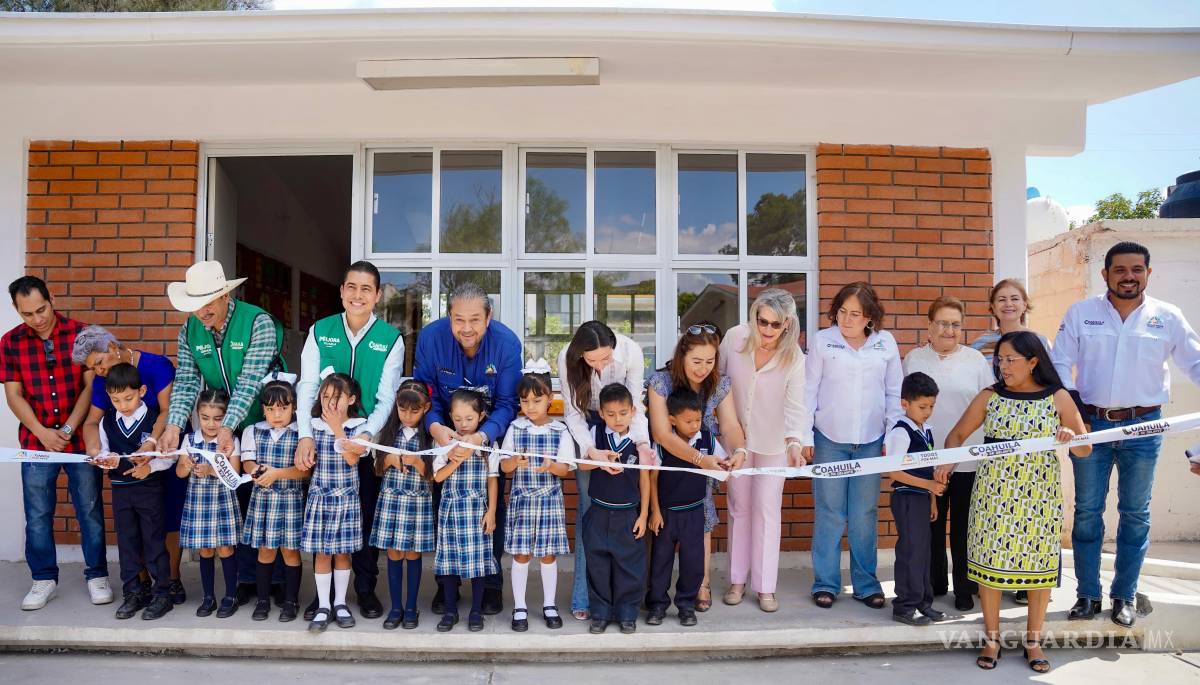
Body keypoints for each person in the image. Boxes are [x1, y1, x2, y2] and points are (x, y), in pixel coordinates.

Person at [1051, 241, 1200, 628]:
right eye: (1120, 270)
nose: (1128, 276)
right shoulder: (1082, 313)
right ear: (1106, 274)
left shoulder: (1167, 317)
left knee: (1135, 514)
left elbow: (1196, 362)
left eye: (1137, 269)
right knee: (1087, 514)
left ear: (1148, 273)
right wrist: (1075, 416)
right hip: (1092, 427)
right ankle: (1087, 595)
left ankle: (1124, 596)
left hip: (1144, 428)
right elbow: (1060, 365)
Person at [946, 331, 1090, 673]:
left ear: (1033, 361)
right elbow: (957, 434)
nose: (1002, 365)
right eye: (1000, 359)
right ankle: (992, 639)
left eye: (1011, 359)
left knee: (1039, 570)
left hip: (1039, 496)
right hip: (993, 495)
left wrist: (1070, 438)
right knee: (991, 567)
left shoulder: (1058, 398)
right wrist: (947, 461)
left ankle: (1033, 641)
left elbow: (1086, 448)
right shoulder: (990, 396)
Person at [161, 260, 285, 605]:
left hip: (263, 422)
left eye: (208, 303)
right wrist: (174, 425)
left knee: (266, 500)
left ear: (225, 295)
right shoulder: (189, 330)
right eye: (195, 305)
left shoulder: (258, 322)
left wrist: (229, 427)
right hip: (222, 423)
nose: (202, 312)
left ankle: (274, 581)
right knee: (235, 503)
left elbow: (249, 381)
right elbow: (186, 380)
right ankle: (245, 581)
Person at [294, 261, 404, 620]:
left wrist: (367, 436)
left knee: (364, 516)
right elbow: (308, 384)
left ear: (377, 296)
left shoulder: (390, 338)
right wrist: (305, 435)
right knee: (322, 518)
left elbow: (387, 396)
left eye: (366, 289)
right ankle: (323, 598)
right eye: (351, 287)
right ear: (341, 291)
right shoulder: (320, 330)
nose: (358, 295)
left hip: (365, 442)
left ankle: (365, 589)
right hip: (324, 441)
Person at [3, 275, 110, 610]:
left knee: (90, 509)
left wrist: (65, 429)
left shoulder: (81, 333)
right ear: (16, 311)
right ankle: (43, 579)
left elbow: (90, 388)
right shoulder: (10, 343)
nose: (37, 318)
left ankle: (97, 575)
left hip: (78, 437)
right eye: (28, 314)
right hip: (35, 442)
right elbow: (13, 395)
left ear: (51, 299)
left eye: (41, 309)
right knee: (37, 513)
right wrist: (41, 432)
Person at [414, 282, 521, 616]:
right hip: (444, 433)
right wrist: (435, 427)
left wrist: (481, 438)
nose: (467, 328)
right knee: (444, 511)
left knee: (490, 513)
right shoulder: (431, 339)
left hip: (486, 436)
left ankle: (490, 583)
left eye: (475, 320)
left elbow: (507, 403)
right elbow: (424, 394)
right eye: (459, 320)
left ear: (488, 317)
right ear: (449, 317)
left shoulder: (506, 344)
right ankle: (449, 582)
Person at [800, 282, 902, 611]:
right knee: (829, 513)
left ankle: (866, 584)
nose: (846, 319)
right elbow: (808, 391)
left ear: (870, 317)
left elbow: (893, 395)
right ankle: (826, 583)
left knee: (864, 514)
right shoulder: (823, 341)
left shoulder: (885, 344)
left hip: (871, 442)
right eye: (842, 312)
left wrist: (891, 437)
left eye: (855, 314)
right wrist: (803, 437)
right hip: (829, 440)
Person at [73, 325, 186, 605]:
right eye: (92, 368)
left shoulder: (156, 365)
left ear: (112, 348)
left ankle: (171, 580)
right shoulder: (102, 381)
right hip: (127, 462)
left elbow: (168, 410)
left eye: (99, 362)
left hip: (163, 449)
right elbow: (91, 422)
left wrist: (150, 444)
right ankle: (142, 585)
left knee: (167, 519)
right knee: (134, 526)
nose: (98, 371)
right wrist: (97, 450)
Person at [557, 320, 654, 621]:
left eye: (605, 358)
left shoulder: (633, 352)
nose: (599, 365)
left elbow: (635, 403)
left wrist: (641, 444)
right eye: (592, 360)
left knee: (630, 509)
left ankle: (626, 602)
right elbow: (572, 414)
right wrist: (591, 451)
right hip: (589, 429)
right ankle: (586, 599)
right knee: (590, 510)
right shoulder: (566, 357)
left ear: (614, 347)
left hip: (624, 425)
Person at [647, 323, 747, 611]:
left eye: (710, 361)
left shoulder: (719, 383)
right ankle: (655, 593)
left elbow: (729, 424)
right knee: (661, 526)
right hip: (668, 465)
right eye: (696, 361)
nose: (703, 368)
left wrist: (739, 449)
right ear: (682, 356)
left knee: (701, 519)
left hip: (704, 459)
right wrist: (699, 460)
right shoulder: (661, 382)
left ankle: (699, 585)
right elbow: (661, 433)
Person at [719, 288, 807, 613]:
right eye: (763, 322)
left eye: (775, 325)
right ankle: (737, 580)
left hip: (773, 444)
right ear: (755, 316)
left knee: (768, 511)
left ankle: (765, 587)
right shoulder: (734, 338)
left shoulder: (794, 357)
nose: (767, 330)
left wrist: (795, 443)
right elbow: (720, 385)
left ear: (787, 325)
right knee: (739, 508)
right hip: (736, 440)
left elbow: (796, 407)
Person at [907, 296, 994, 612]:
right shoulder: (914, 359)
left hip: (967, 460)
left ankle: (964, 588)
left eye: (955, 324)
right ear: (929, 326)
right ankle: (934, 583)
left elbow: (990, 406)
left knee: (962, 527)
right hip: (925, 460)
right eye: (943, 323)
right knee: (930, 525)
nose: (949, 330)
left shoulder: (975, 361)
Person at [92, 362, 175, 621]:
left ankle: (163, 593)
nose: (123, 404)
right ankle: (134, 592)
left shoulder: (154, 419)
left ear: (142, 390)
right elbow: (104, 451)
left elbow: (169, 457)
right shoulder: (106, 422)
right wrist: (105, 459)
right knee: (127, 543)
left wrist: (149, 468)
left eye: (128, 398)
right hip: (120, 491)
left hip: (149, 490)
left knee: (153, 542)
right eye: (116, 400)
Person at [646, 387, 728, 627]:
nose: (694, 425)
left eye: (698, 419)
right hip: (666, 515)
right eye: (688, 421)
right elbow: (651, 477)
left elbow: (722, 466)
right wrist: (655, 511)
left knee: (693, 563)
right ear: (672, 420)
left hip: (694, 514)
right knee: (660, 562)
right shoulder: (662, 442)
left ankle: (686, 605)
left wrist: (730, 466)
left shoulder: (707, 439)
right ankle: (657, 606)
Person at [500, 367, 573, 632]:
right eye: (524, 400)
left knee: (547, 555)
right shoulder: (515, 428)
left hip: (549, 501)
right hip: (522, 500)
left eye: (537, 400)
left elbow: (565, 469)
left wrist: (550, 467)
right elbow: (504, 466)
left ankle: (549, 605)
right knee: (521, 554)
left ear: (549, 399)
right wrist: (514, 461)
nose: (530, 406)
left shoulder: (560, 430)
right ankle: (520, 606)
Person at [300, 372, 368, 633]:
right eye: (325, 396)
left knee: (342, 552)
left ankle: (340, 602)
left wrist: (338, 428)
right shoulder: (313, 426)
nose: (330, 403)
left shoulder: (360, 427)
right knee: (323, 553)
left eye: (337, 398)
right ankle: (324, 605)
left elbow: (352, 459)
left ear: (351, 399)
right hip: (321, 497)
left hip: (346, 498)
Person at [581, 383, 650, 635]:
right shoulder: (595, 433)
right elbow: (582, 467)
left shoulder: (640, 439)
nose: (617, 419)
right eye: (610, 414)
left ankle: (627, 614)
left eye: (622, 413)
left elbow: (645, 479)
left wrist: (643, 515)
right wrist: (599, 460)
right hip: (598, 512)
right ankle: (599, 613)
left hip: (628, 514)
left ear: (633, 411)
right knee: (598, 566)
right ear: (601, 413)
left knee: (629, 566)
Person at [239, 374, 307, 623]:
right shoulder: (253, 430)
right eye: (270, 409)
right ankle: (263, 600)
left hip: (289, 500)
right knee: (265, 551)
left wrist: (277, 473)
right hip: (263, 499)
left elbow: (305, 470)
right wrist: (255, 471)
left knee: (290, 551)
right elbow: (247, 461)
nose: (276, 414)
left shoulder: (302, 433)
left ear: (294, 407)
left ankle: (291, 601)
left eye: (283, 408)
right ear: (263, 409)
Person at [432, 388, 500, 633]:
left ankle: (476, 611)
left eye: (469, 419)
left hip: (476, 510)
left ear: (481, 416)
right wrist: (455, 459)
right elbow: (438, 477)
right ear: (450, 416)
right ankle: (450, 610)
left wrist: (491, 512)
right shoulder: (443, 443)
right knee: (450, 563)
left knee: (478, 563)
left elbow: (493, 479)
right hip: (450, 510)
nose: (463, 424)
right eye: (457, 419)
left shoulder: (488, 444)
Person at [883, 371, 947, 627]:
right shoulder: (901, 432)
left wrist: (932, 497)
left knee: (924, 552)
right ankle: (904, 606)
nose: (928, 411)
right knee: (911, 552)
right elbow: (894, 471)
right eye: (922, 407)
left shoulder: (926, 430)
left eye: (931, 406)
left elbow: (928, 466)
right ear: (904, 404)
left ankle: (923, 602)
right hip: (907, 498)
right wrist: (929, 485)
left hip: (923, 499)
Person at [370, 379, 436, 630]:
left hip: (417, 501)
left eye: (414, 410)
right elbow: (376, 468)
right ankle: (396, 607)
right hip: (391, 500)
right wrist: (388, 461)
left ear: (426, 408)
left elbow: (435, 475)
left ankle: (411, 607)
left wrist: (419, 464)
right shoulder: (386, 433)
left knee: (412, 553)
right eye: (402, 409)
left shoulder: (430, 436)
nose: (407, 415)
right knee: (394, 553)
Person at [177, 389, 242, 619]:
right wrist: (186, 465)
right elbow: (180, 472)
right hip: (199, 502)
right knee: (205, 549)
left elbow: (235, 473)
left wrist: (211, 470)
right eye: (205, 418)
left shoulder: (230, 440)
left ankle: (231, 596)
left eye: (218, 418)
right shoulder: (190, 439)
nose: (211, 424)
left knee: (225, 548)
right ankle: (208, 597)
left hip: (222, 500)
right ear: (197, 415)